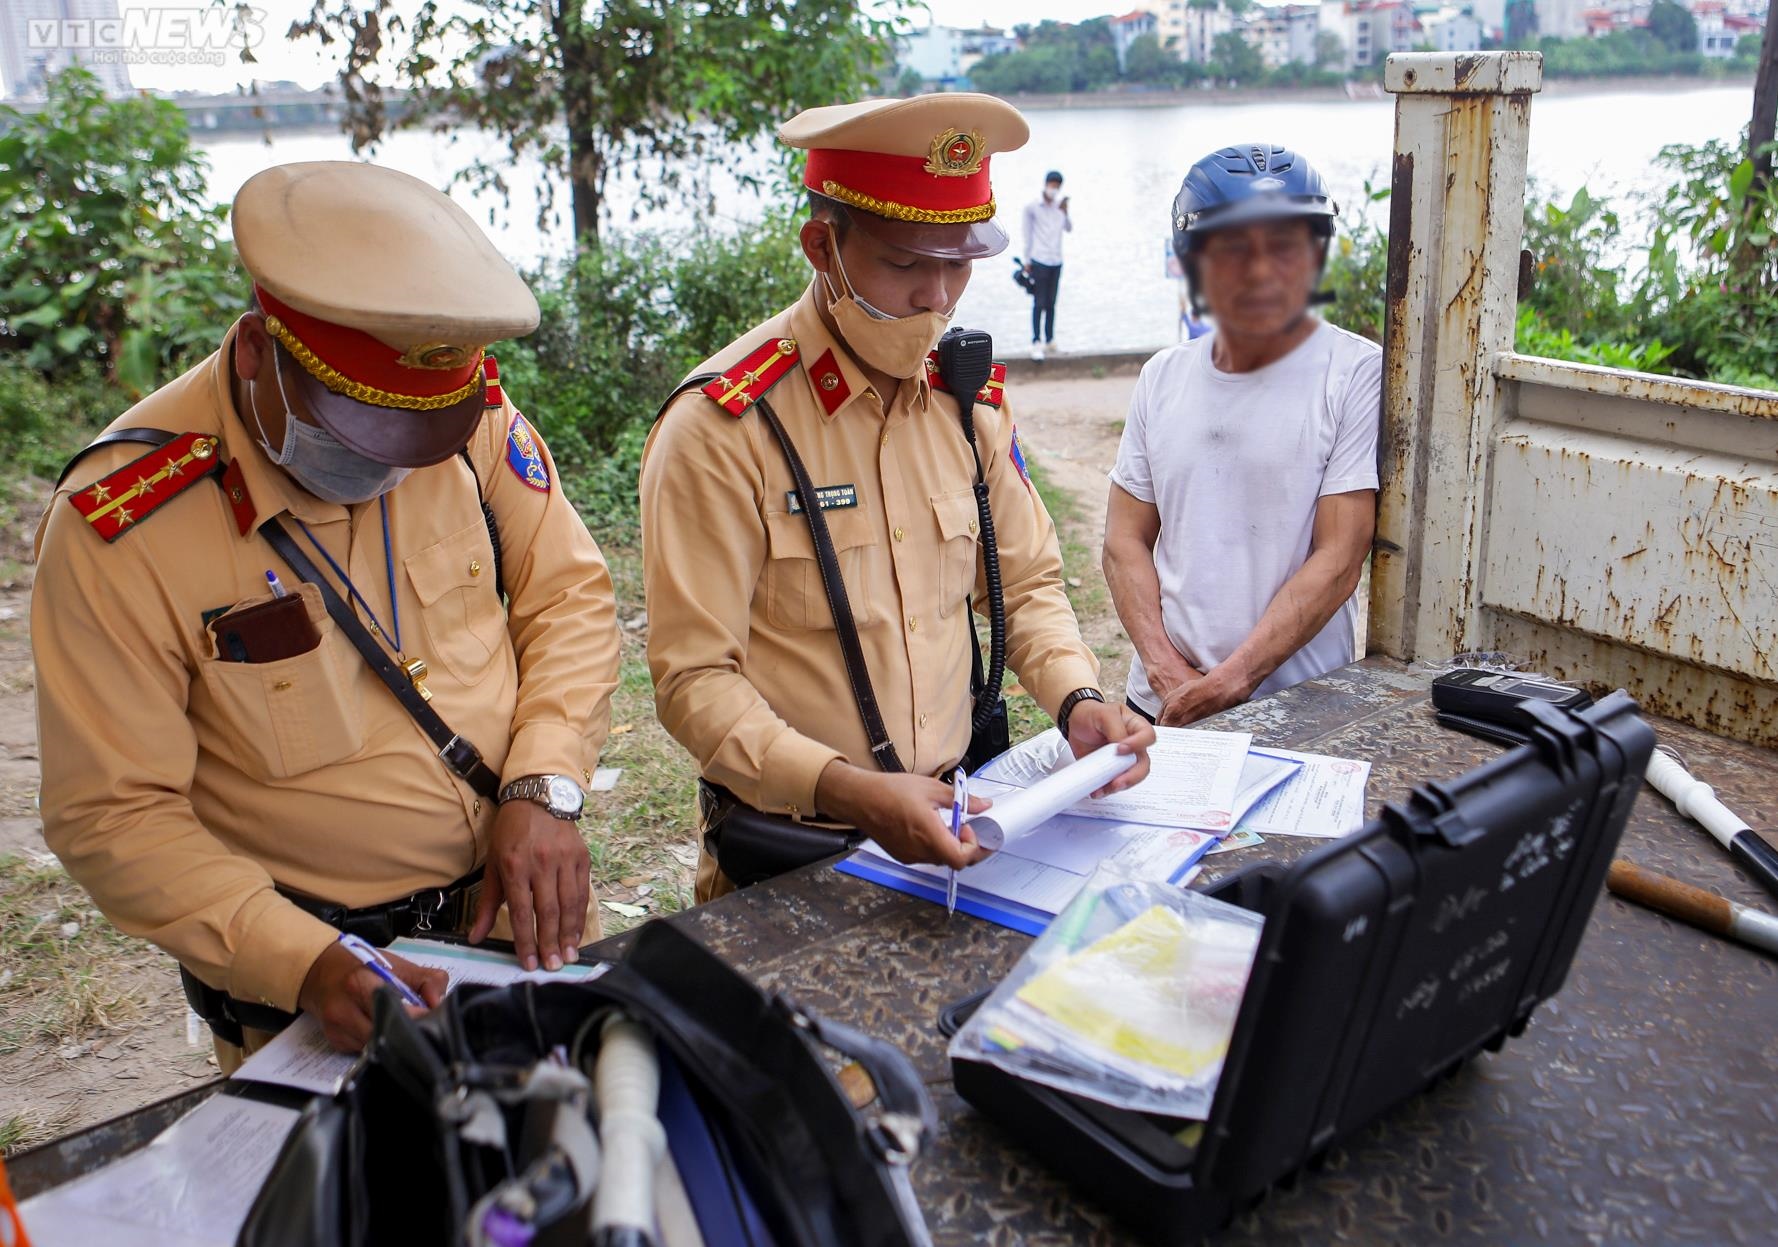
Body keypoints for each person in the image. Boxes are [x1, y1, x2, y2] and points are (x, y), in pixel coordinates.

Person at [32, 161, 623, 1064]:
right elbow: (112, 813)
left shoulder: (472, 426)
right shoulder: (125, 520)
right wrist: (303, 960)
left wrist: (546, 783)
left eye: (417, 444)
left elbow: (568, 595)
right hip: (315, 998)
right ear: (261, 352)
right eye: (361, 438)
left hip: (512, 927)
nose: (390, 472)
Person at [640, 95, 1155, 904]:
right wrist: (847, 789)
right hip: (792, 857)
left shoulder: (966, 402)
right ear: (823, 245)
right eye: (908, 264)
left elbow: (1024, 586)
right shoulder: (725, 427)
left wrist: (1077, 697)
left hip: (959, 833)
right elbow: (695, 678)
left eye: (959, 262)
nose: (938, 297)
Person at [1103, 143, 1381, 727]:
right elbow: (1124, 540)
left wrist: (1232, 681)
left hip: (1296, 707)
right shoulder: (1164, 376)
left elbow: (1340, 555)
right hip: (1163, 702)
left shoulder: (1354, 373)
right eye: (1234, 250)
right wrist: (1165, 672)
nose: (1263, 271)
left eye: (1286, 246)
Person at [1021, 170, 1071, 361]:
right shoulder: (1033, 207)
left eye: (1057, 186)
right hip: (1039, 259)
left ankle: (1050, 340)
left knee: (1051, 302)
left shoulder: (1060, 207)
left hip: (1056, 259)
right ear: (1046, 184)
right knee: (1039, 302)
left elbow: (1069, 228)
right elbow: (1027, 234)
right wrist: (1027, 260)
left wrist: (1065, 211)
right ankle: (1036, 341)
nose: (1054, 189)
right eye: (1052, 185)